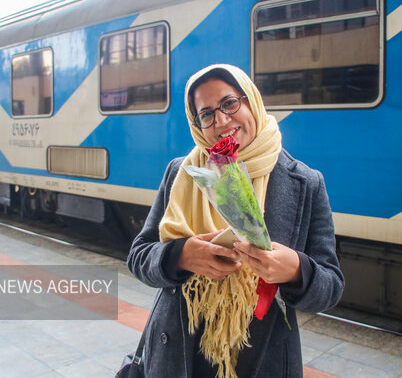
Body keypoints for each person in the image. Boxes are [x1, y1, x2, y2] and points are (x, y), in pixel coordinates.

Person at [127, 64, 344, 378]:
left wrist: (297, 269)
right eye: (207, 114)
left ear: (251, 101)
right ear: (197, 124)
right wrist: (181, 255)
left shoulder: (306, 182)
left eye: (230, 103)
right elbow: (139, 256)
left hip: (260, 361)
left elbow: (331, 285)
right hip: (177, 359)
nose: (222, 121)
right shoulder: (181, 172)